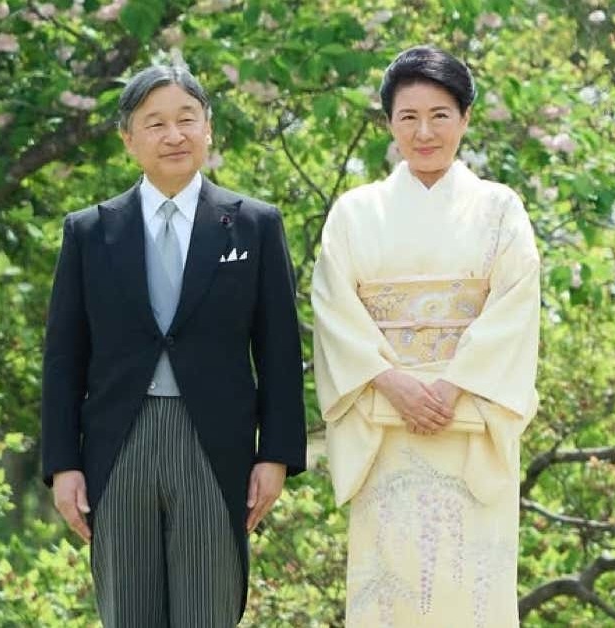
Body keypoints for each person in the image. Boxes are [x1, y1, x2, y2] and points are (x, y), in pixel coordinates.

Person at [40, 65, 307, 627]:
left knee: (208, 610)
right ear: (128, 138)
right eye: (155, 123)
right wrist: (63, 464)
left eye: (187, 119)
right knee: (129, 612)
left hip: (215, 443)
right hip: (119, 442)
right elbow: (64, 359)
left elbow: (279, 352)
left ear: (209, 128)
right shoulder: (89, 232)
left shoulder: (255, 226)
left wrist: (276, 455)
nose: (174, 135)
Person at [312, 46, 541, 627]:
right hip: (386, 425)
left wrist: (452, 387)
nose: (424, 132)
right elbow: (335, 312)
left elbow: (514, 309)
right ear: (389, 123)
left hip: (470, 426)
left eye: (440, 115)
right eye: (408, 117)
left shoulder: (500, 209)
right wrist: (393, 383)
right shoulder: (354, 213)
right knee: (391, 590)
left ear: (465, 118)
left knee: (471, 586)